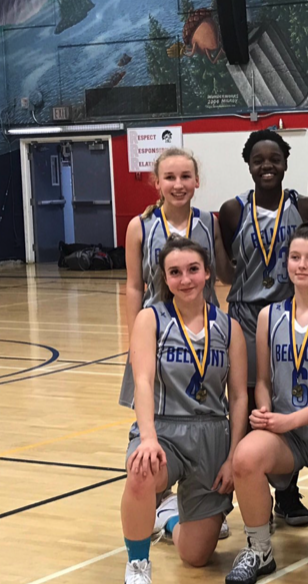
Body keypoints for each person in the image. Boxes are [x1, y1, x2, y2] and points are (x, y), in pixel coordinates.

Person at [225, 221, 308, 584]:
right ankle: (259, 549)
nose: (302, 265)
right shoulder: (269, 316)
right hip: (286, 431)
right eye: (295, 257)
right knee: (246, 456)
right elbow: (263, 381)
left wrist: (292, 420)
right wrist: (265, 410)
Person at [120, 236, 247, 584]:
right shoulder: (151, 320)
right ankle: (137, 566)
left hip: (211, 436)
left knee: (196, 556)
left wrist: (233, 455)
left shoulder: (229, 328)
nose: (185, 279)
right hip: (164, 430)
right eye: (175, 272)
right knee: (142, 471)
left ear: (207, 273)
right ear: (164, 278)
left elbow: (238, 397)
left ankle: (169, 515)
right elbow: (142, 381)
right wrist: (148, 438)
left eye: (193, 269)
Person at [121, 147, 233, 538]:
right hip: (156, 334)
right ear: (156, 182)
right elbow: (134, 286)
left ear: (197, 181)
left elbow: (223, 274)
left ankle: (190, 505)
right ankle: (157, 505)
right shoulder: (140, 225)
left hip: (201, 334)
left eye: (186, 176)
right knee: (154, 423)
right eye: (169, 177)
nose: (178, 184)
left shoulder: (209, 222)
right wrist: (133, 341)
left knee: (203, 408)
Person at [219, 130, 308, 527]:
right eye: (258, 160)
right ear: (248, 165)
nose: (267, 166)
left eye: (274, 159)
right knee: (245, 405)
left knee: (285, 401)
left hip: (289, 317)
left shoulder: (304, 206)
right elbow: (227, 269)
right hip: (245, 317)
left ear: (286, 162)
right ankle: (241, 493)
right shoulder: (232, 210)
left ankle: (287, 492)